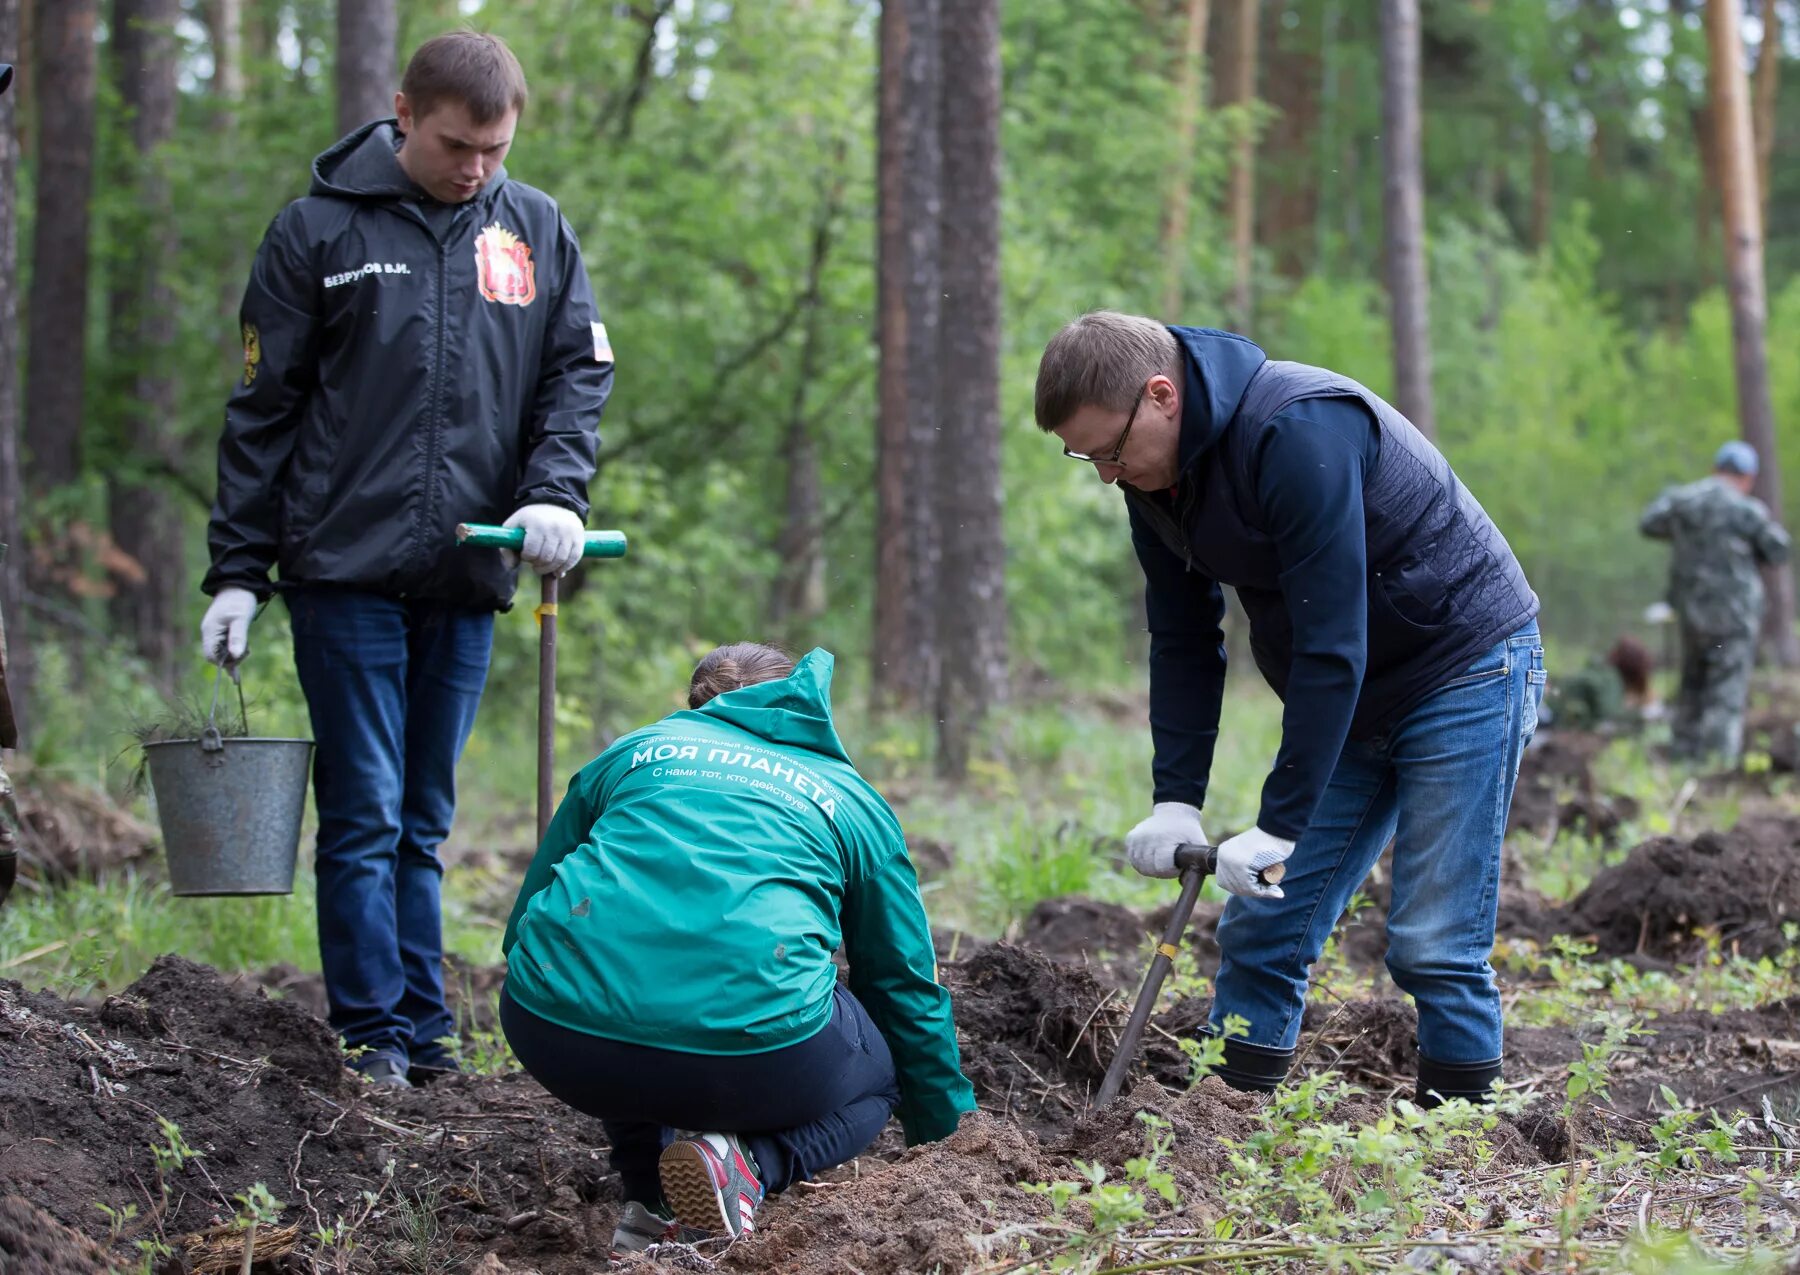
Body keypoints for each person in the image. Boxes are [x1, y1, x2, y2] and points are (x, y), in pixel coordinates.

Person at [197, 31, 613, 1089]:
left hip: (470, 570)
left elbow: (575, 376)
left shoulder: (533, 229)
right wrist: (240, 569)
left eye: (495, 147)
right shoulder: (317, 232)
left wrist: (553, 493)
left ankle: (426, 1036)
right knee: (366, 808)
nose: (475, 167)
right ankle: (370, 1034)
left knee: (424, 818)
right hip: (340, 569)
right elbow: (263, 413)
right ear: (401, 115)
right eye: (455, 144)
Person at [1035, 311, 1543, 1107]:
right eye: (1085, 457)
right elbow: (1182, 639)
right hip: (1353, 688)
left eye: (1108, 450)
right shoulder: (1156, 478)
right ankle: (1223, 1116)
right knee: (1266, 921)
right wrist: (1176, 797)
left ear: (1161, 396)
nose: (1105, 473)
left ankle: (1467, 1128)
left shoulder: (1298, 429)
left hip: (1464, 663)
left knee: (1433, 938)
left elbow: (1332, 639)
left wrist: (1283, 821)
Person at [500, 643, 975, 1256]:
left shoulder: (633, 753)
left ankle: (647, 1203)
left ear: (695, 702)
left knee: (620, 965)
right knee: (880, 1077)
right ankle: (750, 1165)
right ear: (805, 706)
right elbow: (900, 985)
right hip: (753, 1060)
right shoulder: (850, 798)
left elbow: (525, 920)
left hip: (554, 1033)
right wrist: (952, 1147)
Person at [1640, 441, 1790, 766]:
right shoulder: (1746, 509)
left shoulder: (1684, 500)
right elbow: (1778, 549)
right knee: (1726, 691)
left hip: (1691, 613)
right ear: (1748, 477)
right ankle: (1717, 770)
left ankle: (1682, 760)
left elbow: (1650, 523)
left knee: (1692, 683)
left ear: (1715, 469)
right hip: (1734, 617)